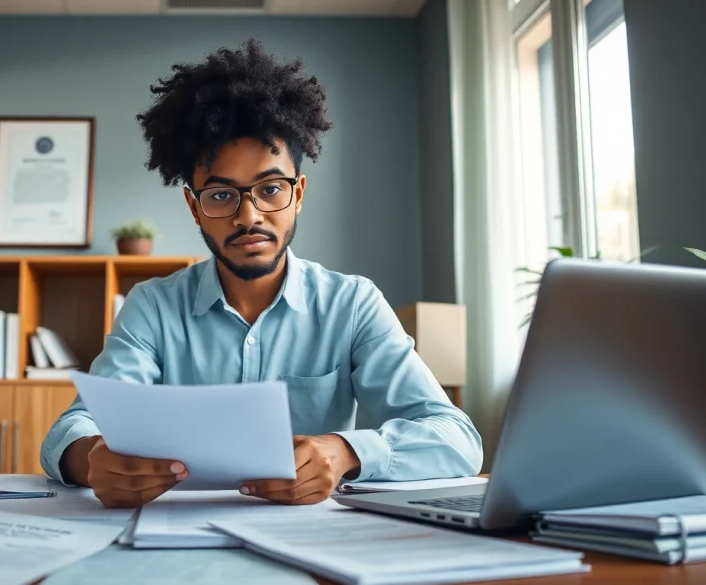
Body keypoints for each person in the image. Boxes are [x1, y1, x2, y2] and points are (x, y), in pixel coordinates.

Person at [40, 38, 483, 509]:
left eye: (271, 188)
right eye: (221, 194)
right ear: (194, 206)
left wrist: (347, 450)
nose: (248, 216)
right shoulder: (152, 306)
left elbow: (455, 438)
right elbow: (75, 427)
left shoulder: (353, 304)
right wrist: (89, 459)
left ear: (299, 193)